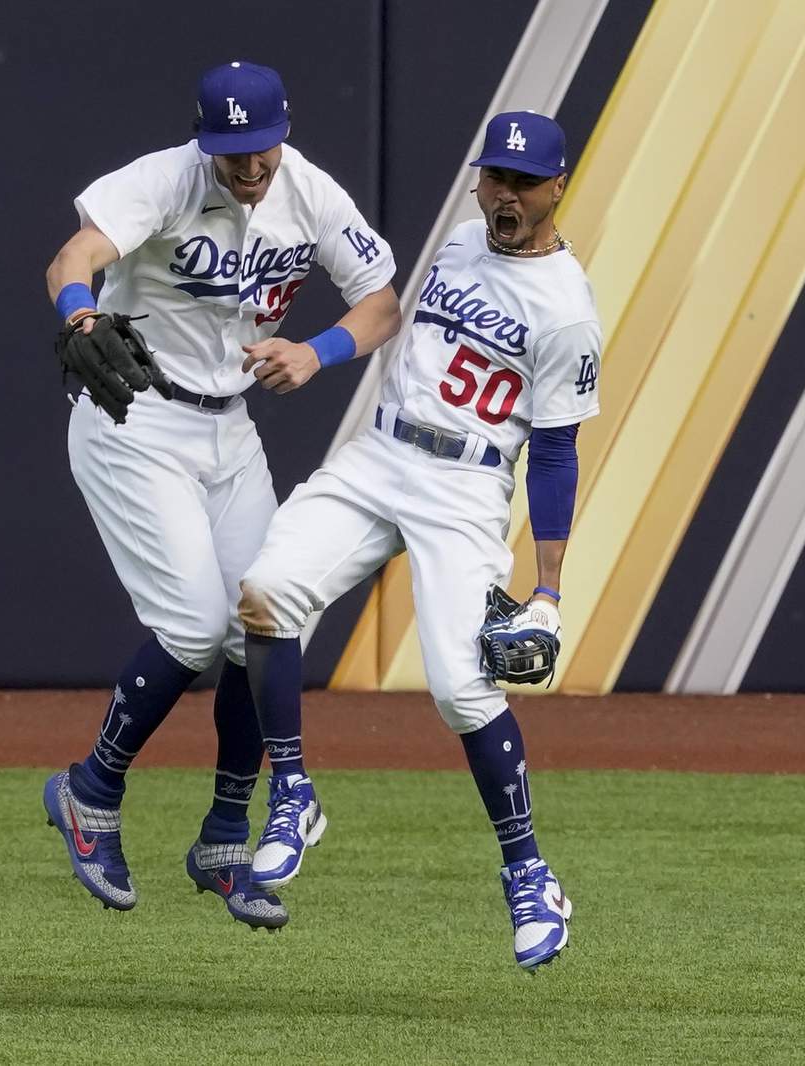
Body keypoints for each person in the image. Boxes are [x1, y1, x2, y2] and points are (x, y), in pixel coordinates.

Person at [39, 61, 402, 931]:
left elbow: (381, 303)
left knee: (265, 619)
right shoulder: (167, 178)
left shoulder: (309, 191)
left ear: (284, 130)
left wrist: (317, 352)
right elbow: (73, 257)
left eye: (259, 147)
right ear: (206, 139)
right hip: (136, 412)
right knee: (196, 628)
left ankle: (225, 836)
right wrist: (83, 317)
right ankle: (90, 790)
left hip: (228, 427)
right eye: (229, 149)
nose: (247, 165)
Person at [237, 111, 601, 969]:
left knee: (461, 691)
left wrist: (548, 590)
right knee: (264, 591)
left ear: (558, 187)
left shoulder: (567, 310)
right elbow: (393, 317)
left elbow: (554, 452)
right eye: (495, 178)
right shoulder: (462, 241)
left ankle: (529, 875)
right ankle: (292, 790)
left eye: (523, 183)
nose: (505, 196)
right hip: (382, 453)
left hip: (466, 485)